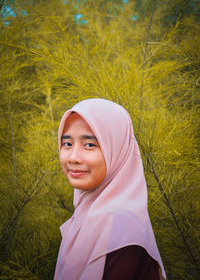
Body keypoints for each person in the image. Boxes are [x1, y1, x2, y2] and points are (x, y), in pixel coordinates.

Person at [54, 98, 166, 280]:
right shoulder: (86, 216)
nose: (73, 157)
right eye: (67, 144)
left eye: (89, 145)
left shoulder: (122, 229)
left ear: (118, 150)